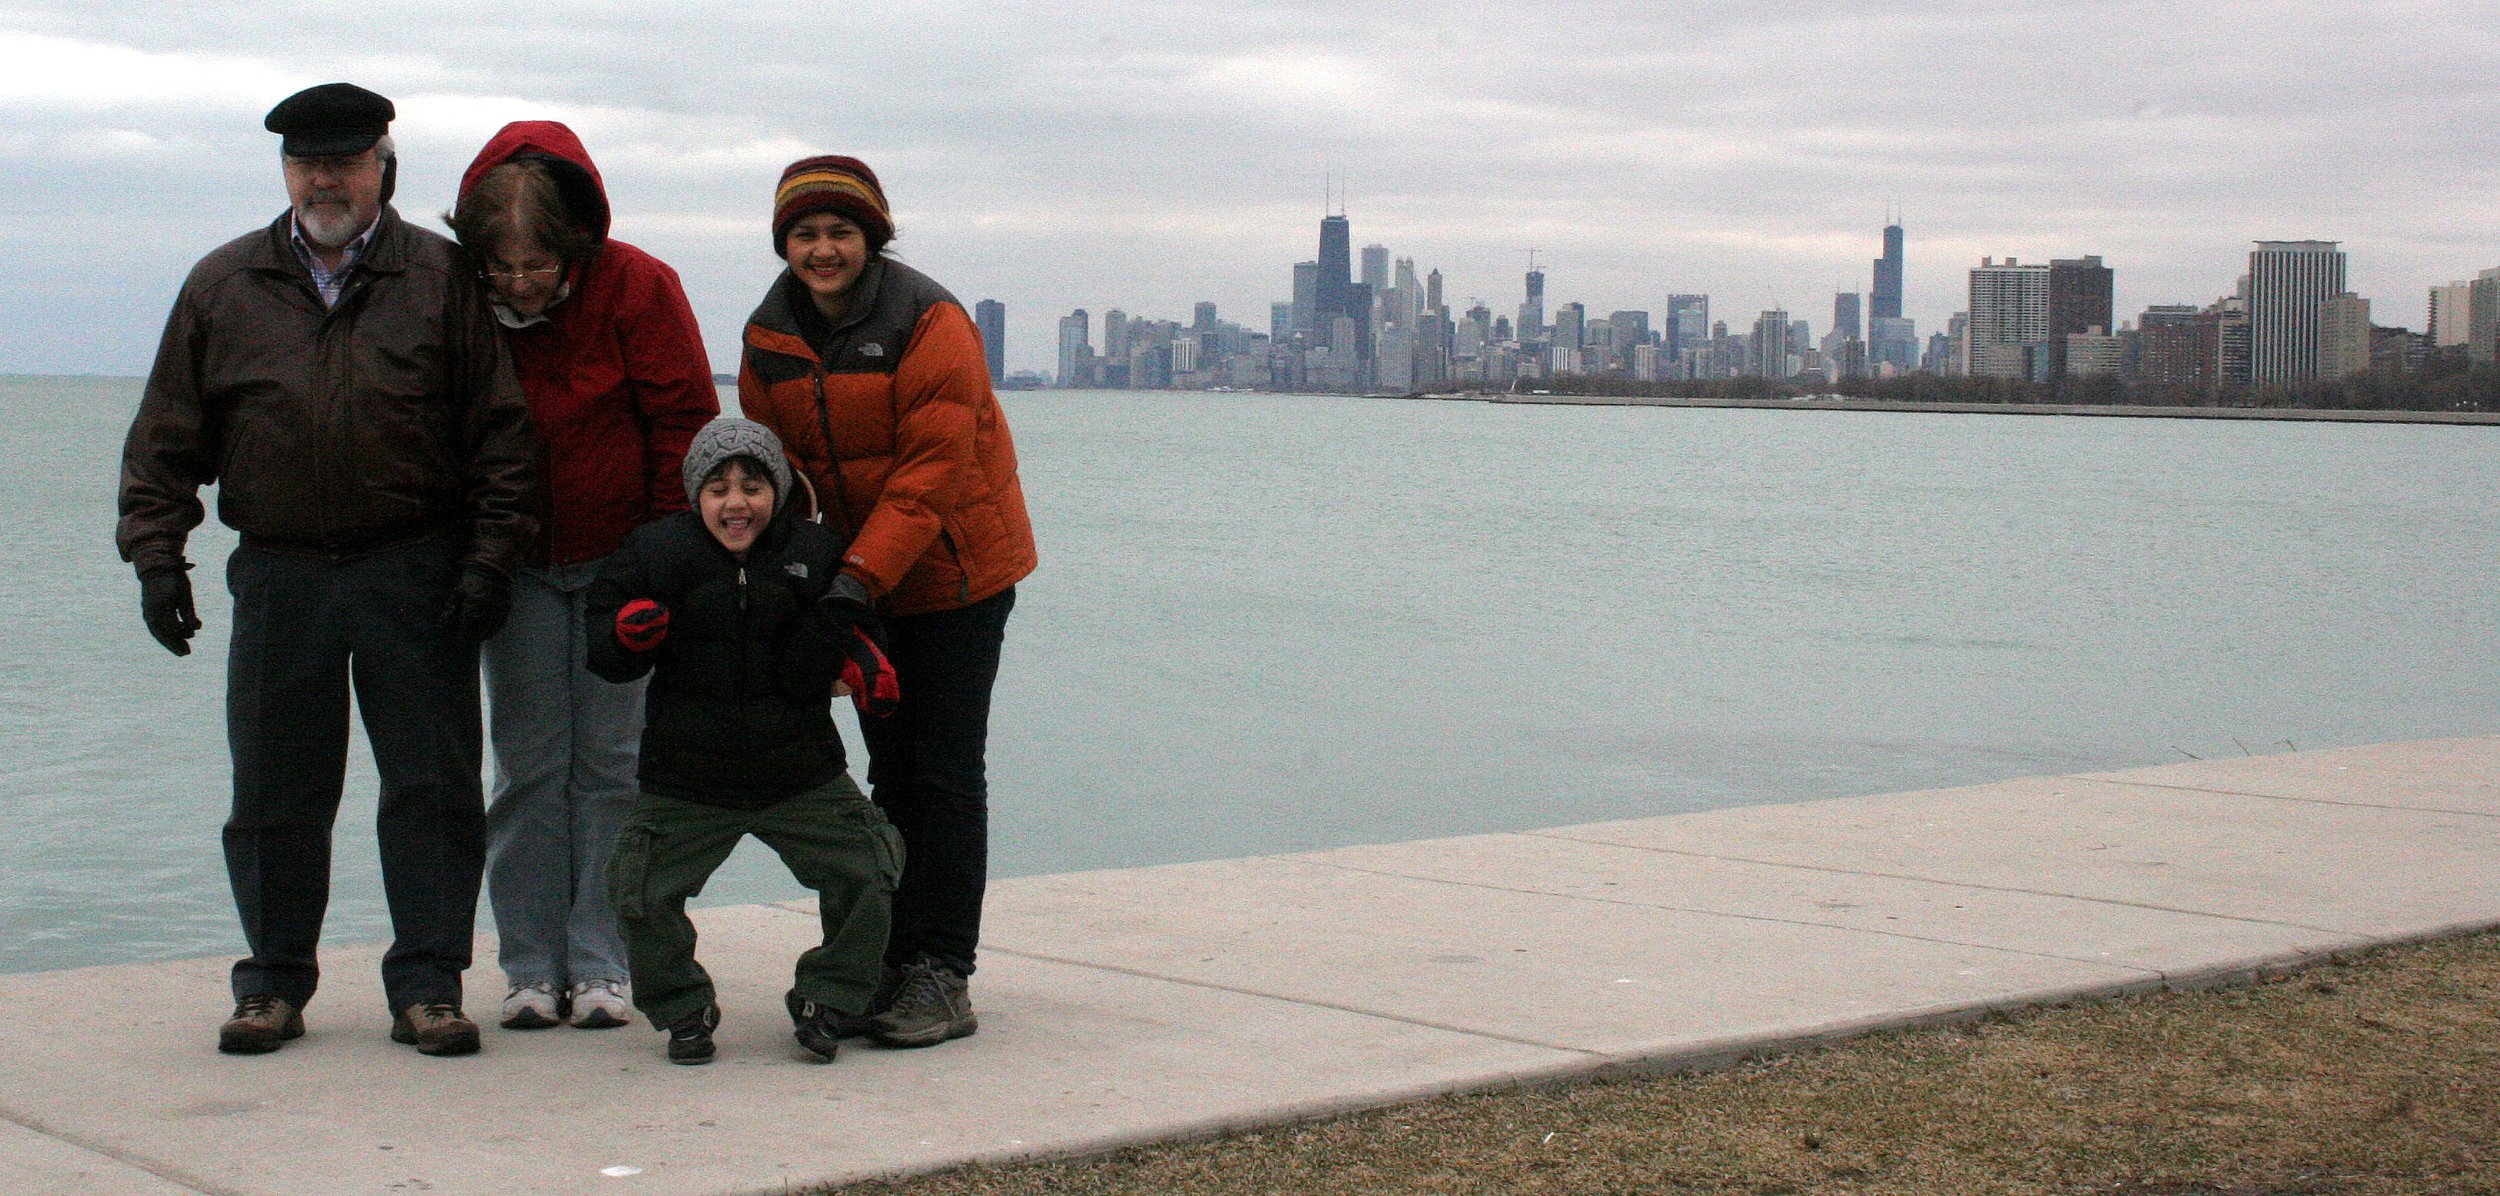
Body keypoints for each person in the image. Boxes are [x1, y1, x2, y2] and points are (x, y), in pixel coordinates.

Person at [117, 83, 537, 1057]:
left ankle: (429, 987)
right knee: (274, 794)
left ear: (382, 167)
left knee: (432, 790)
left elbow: (501, 437)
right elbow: (166, 439)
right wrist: (157, 557)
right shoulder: (223, 284)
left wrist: (489, 561)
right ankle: (271, 984)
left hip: (416, 568)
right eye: (307, 163)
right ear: (285, 170)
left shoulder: (440, 278)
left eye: (344, 162)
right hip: (280, 574)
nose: (324, 181)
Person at [738, 156, 1036, 1048]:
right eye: (805, 234)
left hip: (954, 577)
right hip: (858, 584)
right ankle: (886, 956)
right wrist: (800, 581)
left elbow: (930, 472)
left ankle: (943, 970)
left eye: (842, 231)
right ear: (784, 244)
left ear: (873, 237)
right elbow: (776, 474)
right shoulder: (769, 333)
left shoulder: (929, 319)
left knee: (943, 774)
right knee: (888, 774)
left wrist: (851, 586)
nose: (823, 249)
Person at [444, 120, 718, 1032]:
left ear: (575, 245)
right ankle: (529, 965)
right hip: (515, 565)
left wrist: (663, 563)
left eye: (538, 265)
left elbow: (681, 423)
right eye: (502, 268)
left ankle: (604, 961)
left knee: (610, 766)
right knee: (527, 766)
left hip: (618, 562)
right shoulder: (457, 295)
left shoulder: (641, 284)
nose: (520, 284)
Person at [586, 418, 904, 1065]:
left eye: (753, 487)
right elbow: (604, 651)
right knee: (637, 890)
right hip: (686, 776)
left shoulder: (816, 551)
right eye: (719, 489)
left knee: (871, 867)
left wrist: (863, 658)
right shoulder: (653, 552)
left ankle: (828, 997)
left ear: (777, 492)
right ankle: (682, 1008)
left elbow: (853, 625)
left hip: (800, 770)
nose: (737, 504)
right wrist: (625, 635)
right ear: (695, 496)